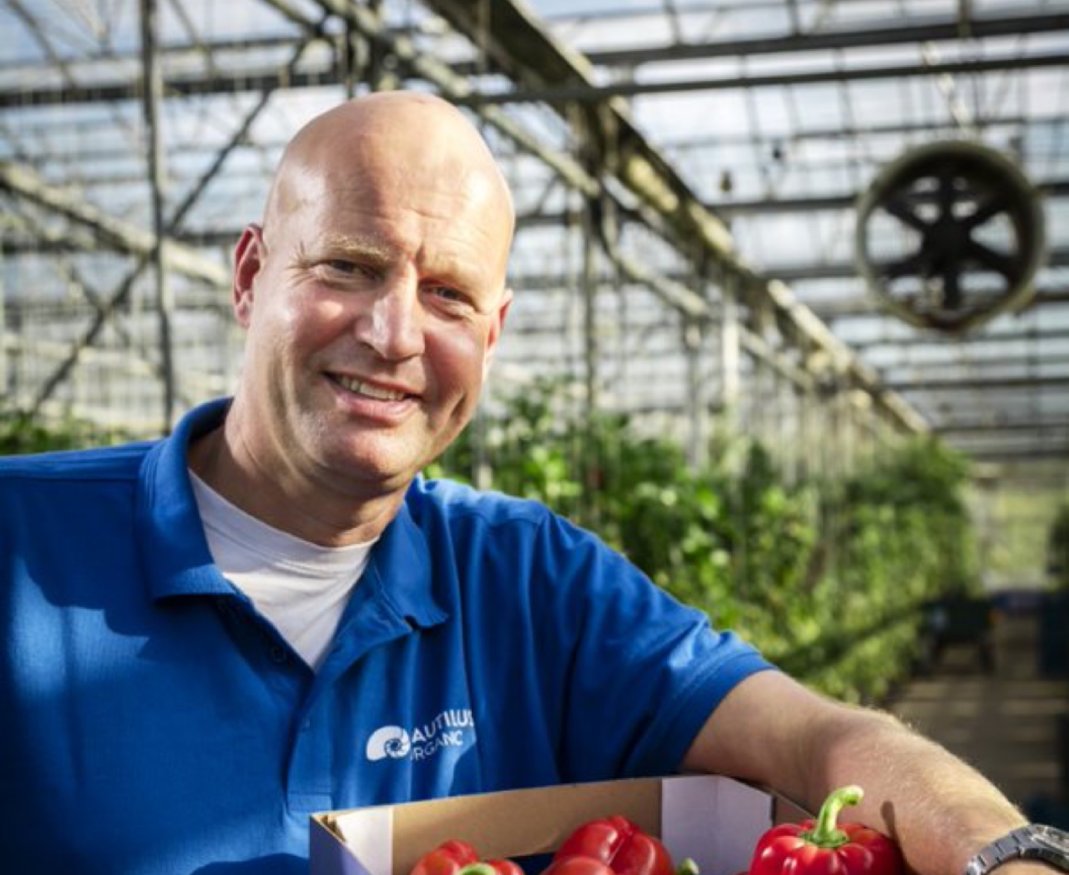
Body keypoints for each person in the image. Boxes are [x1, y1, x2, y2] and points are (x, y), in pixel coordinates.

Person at [0, 91, 1057, 875]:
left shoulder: (528, 578)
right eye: (348, 266)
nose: (394, 332)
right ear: (247, 277)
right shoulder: (22, 547)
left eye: (449, 294)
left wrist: (1004, 850)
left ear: (492, 335)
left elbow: (820, 736)